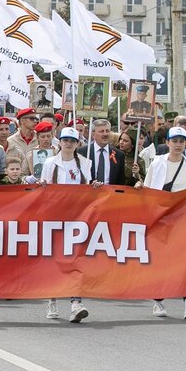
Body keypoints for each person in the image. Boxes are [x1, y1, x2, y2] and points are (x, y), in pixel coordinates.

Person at [135, 125, 186, 320]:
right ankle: (158, 300)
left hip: (183, 219)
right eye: (174, 141)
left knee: (185, 259)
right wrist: (140, 186)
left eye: (182, 141)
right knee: (161, 259)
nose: (178, 145)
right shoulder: (157, 163)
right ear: (167, 143)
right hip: (161, 218)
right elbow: (148, 188)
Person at [39, 127, 102, 323]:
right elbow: (46, 185)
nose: (68, 144)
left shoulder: (84, 163)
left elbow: (88, 186)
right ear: (60, 142)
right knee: (55, 258)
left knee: (75, 258)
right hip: (55, 215)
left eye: (72, 141)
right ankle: (52, 299)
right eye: (65, 140)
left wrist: (95, 187)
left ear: (77, 144)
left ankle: (76, 302)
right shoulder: (50, 162)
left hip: (78, 216)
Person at [80, 119, 126, 186]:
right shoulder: (82, 152)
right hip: (89, 193)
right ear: (93, 134)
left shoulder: (119, 155)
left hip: (110, 194)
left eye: (107, 131)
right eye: (101, 131)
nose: (105, 134)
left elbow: (120, 181)